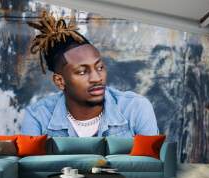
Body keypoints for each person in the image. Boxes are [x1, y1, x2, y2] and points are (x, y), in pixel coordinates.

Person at [21, 11, 158, 137]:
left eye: (99, 67)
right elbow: (29, 163)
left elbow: (151, 163)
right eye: (82, 72)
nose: (97, 78)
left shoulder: (136, 108)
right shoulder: (38, 118)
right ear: (60, 81)